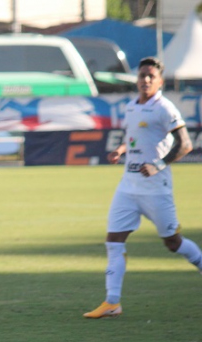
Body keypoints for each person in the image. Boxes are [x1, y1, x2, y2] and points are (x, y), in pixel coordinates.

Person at [84, 57, 200, 319]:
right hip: (128, 186)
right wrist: (121, 149)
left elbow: (185, 145)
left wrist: (158, 165)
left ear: (159, 81)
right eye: (142, 76)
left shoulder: (165, 108)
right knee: (113, 241)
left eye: (151, 76)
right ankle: (112, 302)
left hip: (156, 189)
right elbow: (134, 138)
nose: (145, 80)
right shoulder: (131, 107)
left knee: (172, 242)